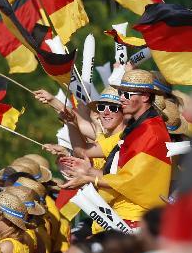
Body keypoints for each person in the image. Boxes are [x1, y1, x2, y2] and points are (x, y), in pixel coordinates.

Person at [62, 70, 172, 228]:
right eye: (121, 93)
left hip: (133, 219)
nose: (121, 99)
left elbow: (130, 180)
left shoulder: (151, 132)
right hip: (120, 215)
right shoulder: (138, 129)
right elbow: (86, 152)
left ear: (145, 97)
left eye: (127, 95)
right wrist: (88, 172)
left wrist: (89, 177)